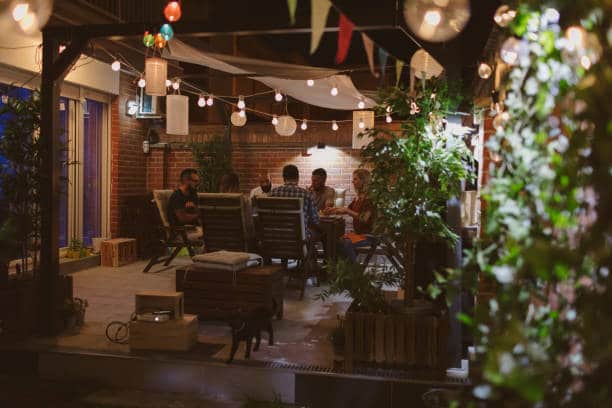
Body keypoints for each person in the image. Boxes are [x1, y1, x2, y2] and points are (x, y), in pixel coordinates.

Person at [325, 169, 375, 262]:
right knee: (337, 241)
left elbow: (364, 218)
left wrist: (347, 211)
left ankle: (354, 271)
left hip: (369, 236)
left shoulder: (370, 198)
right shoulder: (358, 198)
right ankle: (342, 270)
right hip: (359, 234)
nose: (352, 181)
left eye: (355, 179)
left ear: (363, 181)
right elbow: (346, 209)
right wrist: (332, 210)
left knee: (345, 243)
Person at [269, 164, 319, 237]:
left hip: (276, 238)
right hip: (299, 240)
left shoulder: (272, 193)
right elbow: (315, 220)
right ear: (297, 178)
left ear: (283, 178)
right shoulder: (306, 194)